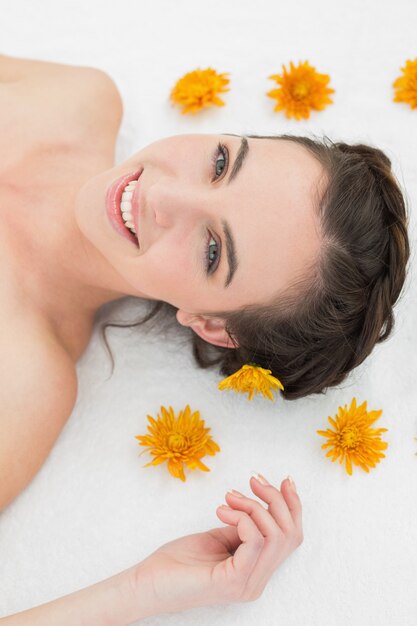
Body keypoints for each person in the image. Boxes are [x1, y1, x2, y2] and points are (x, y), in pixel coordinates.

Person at [0, 53, 409, 622]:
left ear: (212, 323)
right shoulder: (77, 100)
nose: (163, 196)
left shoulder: (23, 385)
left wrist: (141, 591)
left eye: (213, 251)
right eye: (221, 162)